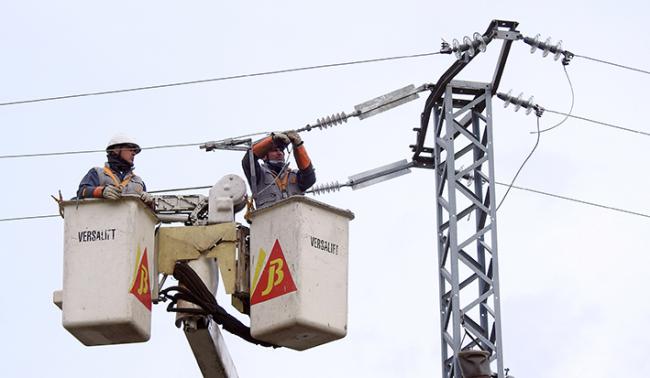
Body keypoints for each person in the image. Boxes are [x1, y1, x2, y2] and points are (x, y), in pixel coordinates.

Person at [242, 130, 315, 209]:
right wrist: (272, 140)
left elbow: (309, 178)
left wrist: (298, 146)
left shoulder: (295, 176)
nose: (279, 153)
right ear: (264, 156)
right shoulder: (259, 175)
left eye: (281, 151)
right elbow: (248, 160)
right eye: (275, 150)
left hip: (295, 219)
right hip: (269, 220)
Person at [77, 134, 153, 205]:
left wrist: (149, 201)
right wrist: (102, 191)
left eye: (135, 151)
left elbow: (149, 212)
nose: (133, 153)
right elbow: (82, 192)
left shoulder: (138, 181)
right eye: (130, 148)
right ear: (116, 150)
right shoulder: (97, 173)